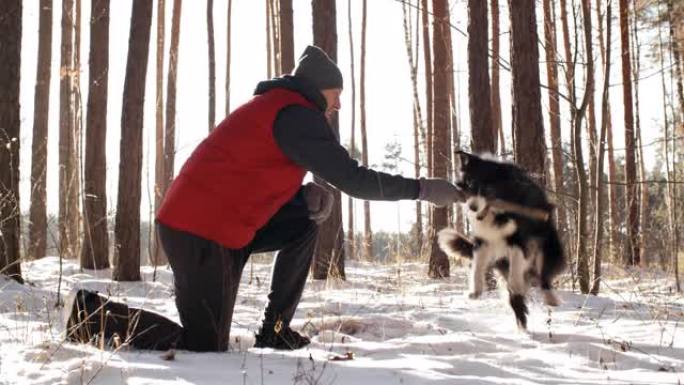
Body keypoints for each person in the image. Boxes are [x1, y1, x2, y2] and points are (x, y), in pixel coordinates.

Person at [66, 45, 462, 352]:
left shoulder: (282, 110)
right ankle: (92, 315)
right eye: (336, 93)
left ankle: (275, 330)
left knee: (306, 221)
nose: (338, 104)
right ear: (318, 89)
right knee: (204, 347)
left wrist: (299, 195)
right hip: (199, 230)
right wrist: (423, 189)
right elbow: (352, 180)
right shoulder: (296, 114)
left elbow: (249, 171)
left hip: (226, 225)